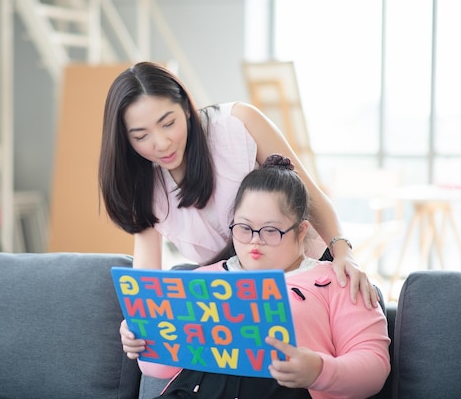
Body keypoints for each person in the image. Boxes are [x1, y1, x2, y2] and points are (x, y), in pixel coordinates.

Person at [99, 61, 378, 307]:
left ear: (185, 107)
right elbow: (148, 280)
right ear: (125, 140)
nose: (161, 143)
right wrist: (138, 322)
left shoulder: (236, 125)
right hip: (236, 301)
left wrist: (344, 254)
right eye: (141, 136)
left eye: (168, 123)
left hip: (304, 276)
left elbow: (311, 196)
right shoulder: (144, 186)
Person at [120, 154, 391, 399]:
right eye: (244, 228)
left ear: (300, 231)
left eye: (271, 231)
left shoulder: (337, 281)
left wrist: (319, 370)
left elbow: (374, 366)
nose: (254, 243)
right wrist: (143, 336)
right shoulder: (202, 279)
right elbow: (158, 368)